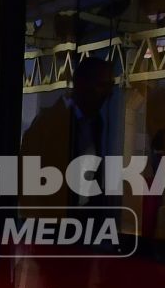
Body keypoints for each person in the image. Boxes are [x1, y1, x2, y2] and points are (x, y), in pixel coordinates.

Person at [18, 55, 116, 215]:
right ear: (82, 85)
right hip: (53, 225)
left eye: (110, 86)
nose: (109, 93)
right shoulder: (47, 124)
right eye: (102, 85)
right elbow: (28, 185)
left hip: (83, 222)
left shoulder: (96, 122)